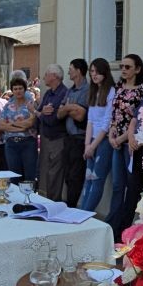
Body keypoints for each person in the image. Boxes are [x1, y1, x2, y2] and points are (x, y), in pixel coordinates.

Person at [104, 54, 143, 239]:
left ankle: (125, 229)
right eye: (122, 66)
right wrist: (112, 133)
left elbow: (137, 119)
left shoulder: (142, 91)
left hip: (130, 143)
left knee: (131, 187)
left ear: (137, 69)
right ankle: (112, 227)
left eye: (127, 67)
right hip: (117, 141)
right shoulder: (119, 88)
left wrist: (121, 138)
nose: (123, 69)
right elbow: (115, 114)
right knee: (117, 186)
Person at [79, 58, 116, 212]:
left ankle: (86, 214)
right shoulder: (94, 92)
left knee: (96, 178)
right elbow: (90, 120)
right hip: (92, 141)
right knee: (88, 178)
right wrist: (87, 145)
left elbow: (106, 123)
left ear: (104, 72)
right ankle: (81, 212)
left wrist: (93, 146)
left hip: (103, 141)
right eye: (92, 71)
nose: (94, 75)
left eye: (97, 71)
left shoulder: (111, 91)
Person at [36, 64, 70, 200]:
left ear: (54, 76)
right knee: (44, 174)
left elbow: (53, 119)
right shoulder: (48, 93)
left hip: (58, 139)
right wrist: (41, 114)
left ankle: (54, 204)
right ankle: (46, 202)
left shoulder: (64, 93)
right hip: (46, 137)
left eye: (46, 74)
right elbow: (41, 112)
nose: (44, 77)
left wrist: (40, 114)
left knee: (55, 175)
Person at [60, 58, 90, 207]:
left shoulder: (87, 90)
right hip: (69, 138)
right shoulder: (70, 90)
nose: (68, 72)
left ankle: (72, 206)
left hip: (80, 139)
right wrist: (70, 108)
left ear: (78, 71)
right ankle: (69, 205)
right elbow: (59, 113)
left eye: (70, 69)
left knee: (76, 176)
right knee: (67, 175)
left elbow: (81, 115)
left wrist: (67, 108)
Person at [0, 77, 38, 183]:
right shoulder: (7, 106)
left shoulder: (31, 104)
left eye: (20, 88)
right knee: (14, 176)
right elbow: (1, 126)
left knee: (29, 177)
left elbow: (30, 123)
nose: (18, 91)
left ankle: (29, 199)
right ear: (12, 90)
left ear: (25, 89)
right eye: (15, 89)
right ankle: (16, 199)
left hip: (28, 143)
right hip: (11, 144)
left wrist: (11, 124)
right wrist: (20, 126)